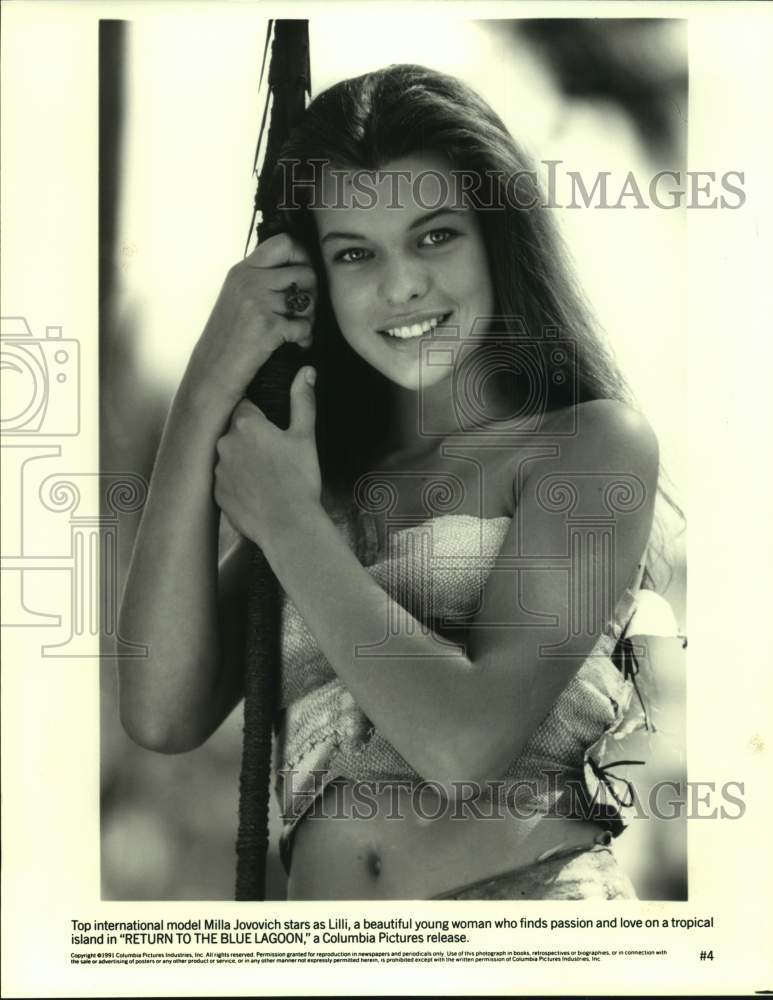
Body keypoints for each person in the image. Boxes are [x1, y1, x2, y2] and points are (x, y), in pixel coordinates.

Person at [118, 64, 683, 900]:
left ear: (497, 238)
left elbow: (461, 747)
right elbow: (161, 711)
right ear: (317, 281)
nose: (401, 284)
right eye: (354, 253)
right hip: (333, 953)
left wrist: (291, 526)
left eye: (435, 236)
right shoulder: (322, 483)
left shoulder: (586, 447)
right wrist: (208, 382)